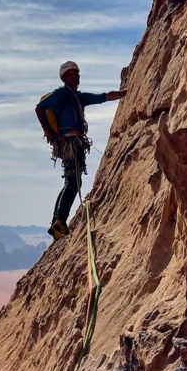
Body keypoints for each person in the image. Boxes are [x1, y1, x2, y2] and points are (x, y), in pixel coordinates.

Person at [35, 61, 126, 240]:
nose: (74, 77)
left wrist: (126, 92)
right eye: (69, 74)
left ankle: (57, 222)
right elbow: (40, 108)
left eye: (76, 73)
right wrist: (50, 134)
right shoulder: (62, 93)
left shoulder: (79, 97)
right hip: (68, 142)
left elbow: (104, 97)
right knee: (73, 183)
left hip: (74, 142)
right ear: (63, 78)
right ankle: (59, 222)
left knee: (71, 182)